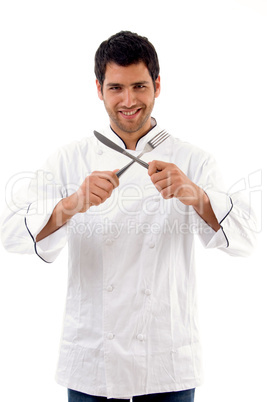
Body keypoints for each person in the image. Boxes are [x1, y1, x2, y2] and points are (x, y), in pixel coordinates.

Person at [0, 31, 256, 402]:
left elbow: (247, 240)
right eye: (116, 88)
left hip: (168, 359)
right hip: (91, 359)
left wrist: (196, 195)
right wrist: (72, 204)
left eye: (139, 86)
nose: (129, 100)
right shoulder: (69, 159)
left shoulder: (193, 160)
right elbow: (9, 233)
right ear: (99, 89)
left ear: (157, 85)